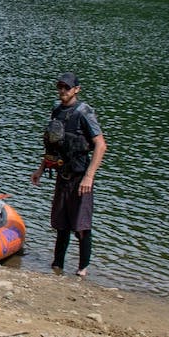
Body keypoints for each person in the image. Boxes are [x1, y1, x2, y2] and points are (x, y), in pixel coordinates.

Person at [30, 72, 107, 276]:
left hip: (80, 178)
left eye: (67, 87)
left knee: (81, 226)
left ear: (76, 89)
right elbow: (52, 145)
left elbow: (101, 145)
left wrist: (89, 176)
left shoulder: (84, 112)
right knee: (61, 225)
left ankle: (82, 269)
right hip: (62, 175)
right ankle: (57, 266)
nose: (63, 91)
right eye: (60, 87)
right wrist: (41, 169)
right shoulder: (56, 110)